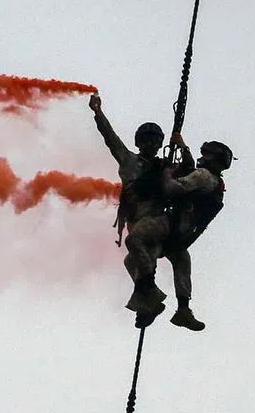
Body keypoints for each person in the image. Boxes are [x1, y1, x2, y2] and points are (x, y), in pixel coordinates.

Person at [88, 93, 175, 327]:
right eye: (146, 140)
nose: (150, 144)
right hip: (137, 219)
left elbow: (182, 181)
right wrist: (98, 113)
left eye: (154, 141)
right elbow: (111, 139)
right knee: (132, 262)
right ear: (139, 143)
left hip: (155, 220)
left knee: (135, 244)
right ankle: (147, 306)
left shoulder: (164, 168)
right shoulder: (129, 160)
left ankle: (150, 291)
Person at [158, 134, 235, 331]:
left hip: (170, 223)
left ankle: (148, 292)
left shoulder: (203, 175)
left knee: (178, 258)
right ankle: (183, 308)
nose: (203, 157)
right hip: (181, 232)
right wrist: (183, 146)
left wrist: (166, 173)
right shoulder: (215, 184)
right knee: (182, 260)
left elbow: (175, 188)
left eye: (206, 154)